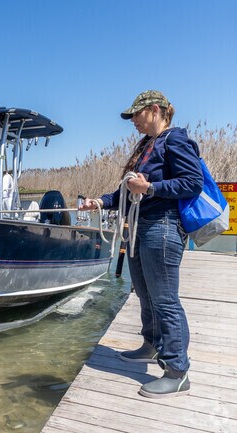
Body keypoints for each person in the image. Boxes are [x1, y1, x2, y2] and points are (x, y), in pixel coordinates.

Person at [79, 90, 203, 398]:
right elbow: (126, 192)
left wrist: (149, 187)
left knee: (165, 301)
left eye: (136, 114)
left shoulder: (175, 140)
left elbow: (192, 183)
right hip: (139, 227)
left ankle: (177, 370)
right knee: (145, 296)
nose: (132, 120)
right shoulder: (147, 145)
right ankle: (151, 345)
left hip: (162, 228)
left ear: (156, 110)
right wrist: (99, 202)